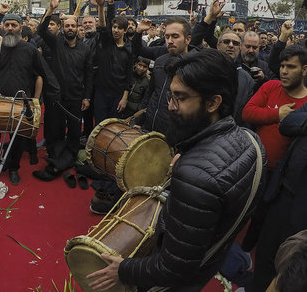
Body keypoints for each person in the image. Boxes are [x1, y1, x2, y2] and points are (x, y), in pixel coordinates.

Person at [86, 49, 265, 291]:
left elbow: (172, 268)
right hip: (209, 260)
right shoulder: (251, 141)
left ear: (213, 103)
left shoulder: (194, 177)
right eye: (171, 96)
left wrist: (123, 270)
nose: (170, 106)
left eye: (180, 98)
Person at [0, 9, 58, 185]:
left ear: (20, 28)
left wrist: (55, 94)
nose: (10, 28)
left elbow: (45, 73)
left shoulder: (30, 51)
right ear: (3, 27)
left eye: (14, 25)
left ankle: (13, 168)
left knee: (17, 140)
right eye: (7, 25)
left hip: (20, 104)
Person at [248, 79, 307, 291]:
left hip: (302, 212)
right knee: (265, 250)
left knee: (287, 264)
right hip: (281, 193)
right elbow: (288, 124)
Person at [33, 0, 94, 181]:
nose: (69, 28)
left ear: (77, 28)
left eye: (72, 25)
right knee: (54, 130)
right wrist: (50, 10)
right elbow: (41, 31)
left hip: (76, 97)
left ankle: (64, 161)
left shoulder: (85, 48)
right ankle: (56, 157)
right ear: (61, 28)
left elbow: (89, 74)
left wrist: (87, 97)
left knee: (75, 132)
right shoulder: (56, 43)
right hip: (56, 97)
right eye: (66, 25)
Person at [91, 0, 132, 123]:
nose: (115, 30)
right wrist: (104, 6)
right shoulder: (107, 43)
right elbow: (103, 25)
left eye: (119, 28)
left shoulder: (129, 50)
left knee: (113, 127)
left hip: (118, 96)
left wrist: (124, 98)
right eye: (114, 27)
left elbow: (129, 77)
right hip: (101, 94)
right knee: (100, 126)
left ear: (125, 30)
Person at [215, 31, 255, 128]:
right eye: (226, 42)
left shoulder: (247, 79)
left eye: (235, 43)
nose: (231, 45)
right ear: (218, 45)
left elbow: (246, 114)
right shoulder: (204, 70)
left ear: (240, 48)